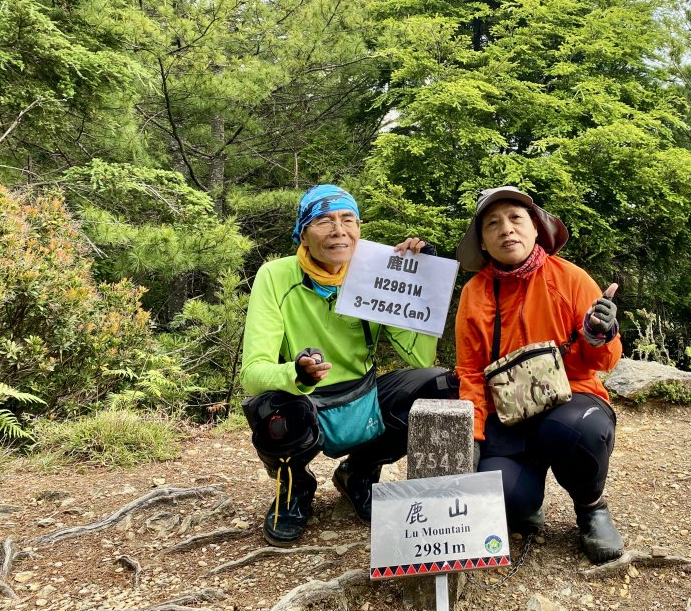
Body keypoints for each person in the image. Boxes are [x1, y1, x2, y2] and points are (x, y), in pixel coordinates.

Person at [240, 184, 456, 546]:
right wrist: (295, 372)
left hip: (362, 397)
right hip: (303, 400)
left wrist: (421, 279)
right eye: (323, 220)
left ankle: (359, 473)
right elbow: (252, 373)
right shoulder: (276, 276)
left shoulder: (374, 272)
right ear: (304, 233)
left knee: (440, 387)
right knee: (275, 417)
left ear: (359, 228)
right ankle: (294, 490)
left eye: (348, 219)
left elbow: (419, 358)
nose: (338, 230)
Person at [454, 186, 625, 564]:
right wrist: (475, 434)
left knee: (580, 431)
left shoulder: (572, 279)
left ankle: (591, 507)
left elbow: (605, 362)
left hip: (571, 399)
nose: (506, 230)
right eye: (493, 224)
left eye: (516, 219)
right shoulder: (475, 293)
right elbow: (470, 370)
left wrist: (600, 334)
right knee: (504, 504)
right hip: (507, 415)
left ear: (536, 229)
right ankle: (526, 501)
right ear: (482, 241)